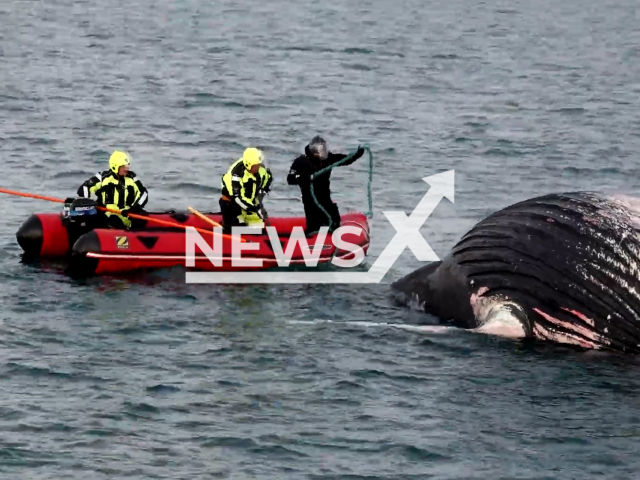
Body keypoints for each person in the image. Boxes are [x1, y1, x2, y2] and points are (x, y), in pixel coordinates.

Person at [287, 136, 364, 235]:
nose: (323, 153)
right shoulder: (301, 162)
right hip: (310, 201)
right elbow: (290, 179)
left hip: (325, 199)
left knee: (335, 221)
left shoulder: (328, 159)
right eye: (321, 150)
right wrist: (307, 178)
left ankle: (335, 242)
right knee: (313, 227)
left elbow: (344, 160)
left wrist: (357, 154)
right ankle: (308, 243)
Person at [77, 150, 149, 229]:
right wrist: (92, 202)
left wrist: (134, 207)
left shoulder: (132, 178)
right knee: (113, 220)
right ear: (115, 166)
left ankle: (133, 235)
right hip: (108, 214)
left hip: (127, 214)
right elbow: (84, 188)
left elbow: (143, 193)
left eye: (127, 165)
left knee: (143, 216)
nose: (127, 169)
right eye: (123, 167)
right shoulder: (103, 177)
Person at [220, 147, 272, 233]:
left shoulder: (259, 170)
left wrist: (264, 189)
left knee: (259, 228)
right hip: (233, 204)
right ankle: (227, 228)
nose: (258, 167)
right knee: (235, 228)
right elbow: (237, 199)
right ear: (248, 164)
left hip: (250, 202)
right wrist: (255, 209)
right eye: (256, 166)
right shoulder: (236, 175)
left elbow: (267, 177)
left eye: (259, 164)